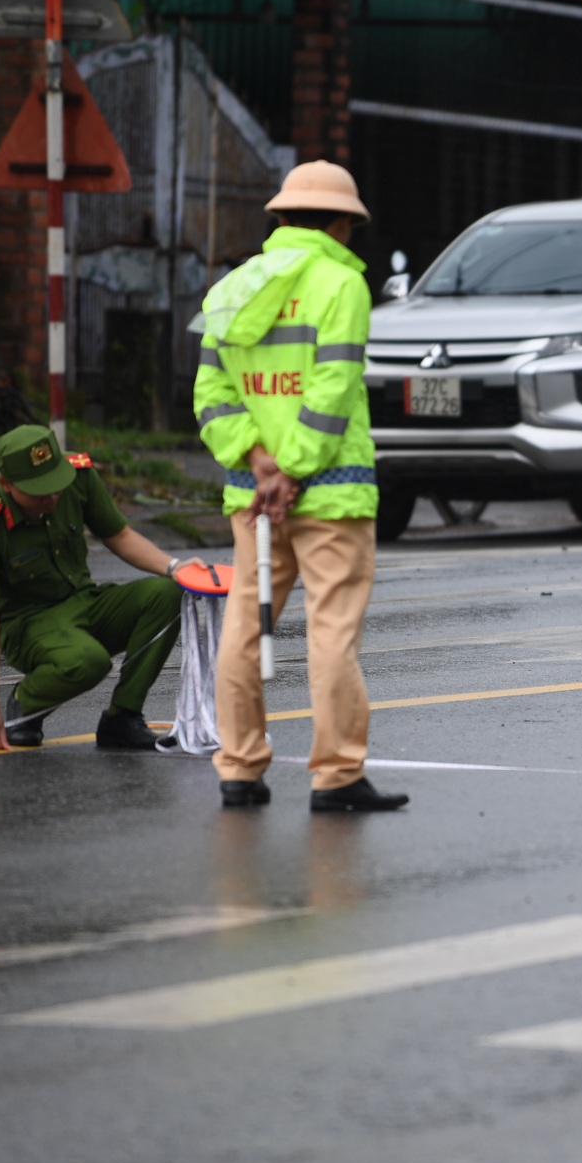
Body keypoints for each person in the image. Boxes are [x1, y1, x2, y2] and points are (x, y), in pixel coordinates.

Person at [192, 160, 408, 813]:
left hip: (253, 498)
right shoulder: (341, 284)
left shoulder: (233, 286)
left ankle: (238, 768)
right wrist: (294, 470)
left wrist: (258, 461)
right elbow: (332, 387)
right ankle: (337, 775)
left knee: (243, 628)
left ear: (282, 217)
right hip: (332, 495)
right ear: (342, 224)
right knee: (332, 634)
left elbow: (211, 395)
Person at [0, 425, 190, 750]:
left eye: (55, 484)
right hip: (28, 626)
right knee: (89, 661)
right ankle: (26, 703)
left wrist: (175, 567)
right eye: (39, 491)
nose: (53, 496)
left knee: (168, 593)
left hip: (84, 601)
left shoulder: (77, 475)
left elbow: (119, 536)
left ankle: (123, 717)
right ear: (6, 484)